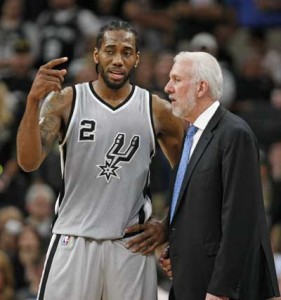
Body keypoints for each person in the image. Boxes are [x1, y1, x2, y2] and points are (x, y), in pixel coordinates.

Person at [16, 20, 183, 300]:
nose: (118, 60)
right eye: (110, 50)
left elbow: (187, 174)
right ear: (96, 55)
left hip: (130, 245)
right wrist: (33, 101)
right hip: (74, 238)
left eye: (127, 52)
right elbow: (28, 162)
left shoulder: (158, 110)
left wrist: (165, 225)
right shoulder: (65, 100)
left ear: (137, 59)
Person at [158, 51, 280, 300]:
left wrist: (221, 288)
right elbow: (198, 211)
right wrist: (178, 253)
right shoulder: (192, 135)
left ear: (201, 87)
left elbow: (240, 219)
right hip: (191, 278)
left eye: (176, 79)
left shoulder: (234, 134)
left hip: (218, 288)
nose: (167, 87)